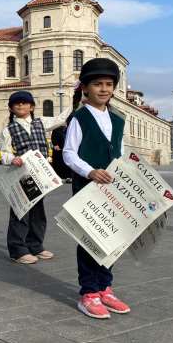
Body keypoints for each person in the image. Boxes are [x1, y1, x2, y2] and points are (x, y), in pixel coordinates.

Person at [63, 58, 130, 320]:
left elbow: (120, 152)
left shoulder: (117, 120)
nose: (103, 89)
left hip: (111, 189)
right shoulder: (80, 118)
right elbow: (69, 154)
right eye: (97, 84)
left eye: (108, 84)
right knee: (90, 239)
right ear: (85, 88)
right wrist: (89, 171)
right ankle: (89, 292)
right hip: (87, 188)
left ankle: (105, 287)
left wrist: (123, 171)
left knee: (111, 238)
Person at [0, 91, 69, 265]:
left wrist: (74, 101)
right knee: (20, 211)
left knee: (38, 212)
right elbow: (3, 153)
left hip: (41, 174)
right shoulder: (8, 130)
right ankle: (17, 249)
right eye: (17, 104)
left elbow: (60, 119)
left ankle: (35, 245)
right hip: (21, 175)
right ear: (11, 108)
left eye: (24, 103)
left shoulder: (41, 122)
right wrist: (11, 159)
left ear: (32, 106)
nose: (21, 106)